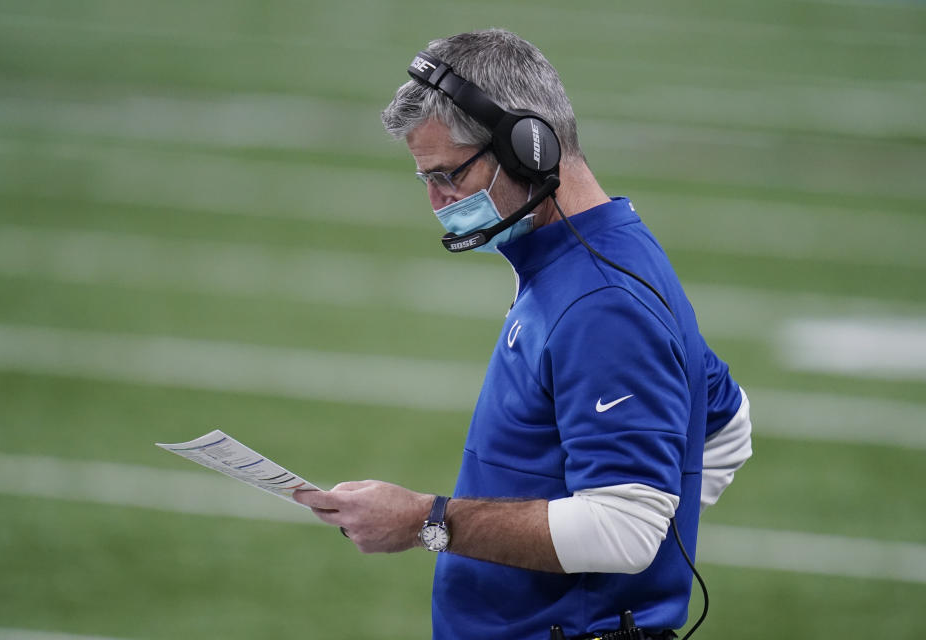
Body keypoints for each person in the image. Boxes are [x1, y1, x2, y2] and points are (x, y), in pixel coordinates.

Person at [293, 28, 753, 640]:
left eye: (448, 175)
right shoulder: (586, 256)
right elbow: (725, 420)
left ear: (528, 148)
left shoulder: (602, 302)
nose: (437, 202)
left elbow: (628, 527)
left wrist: (427, 521)